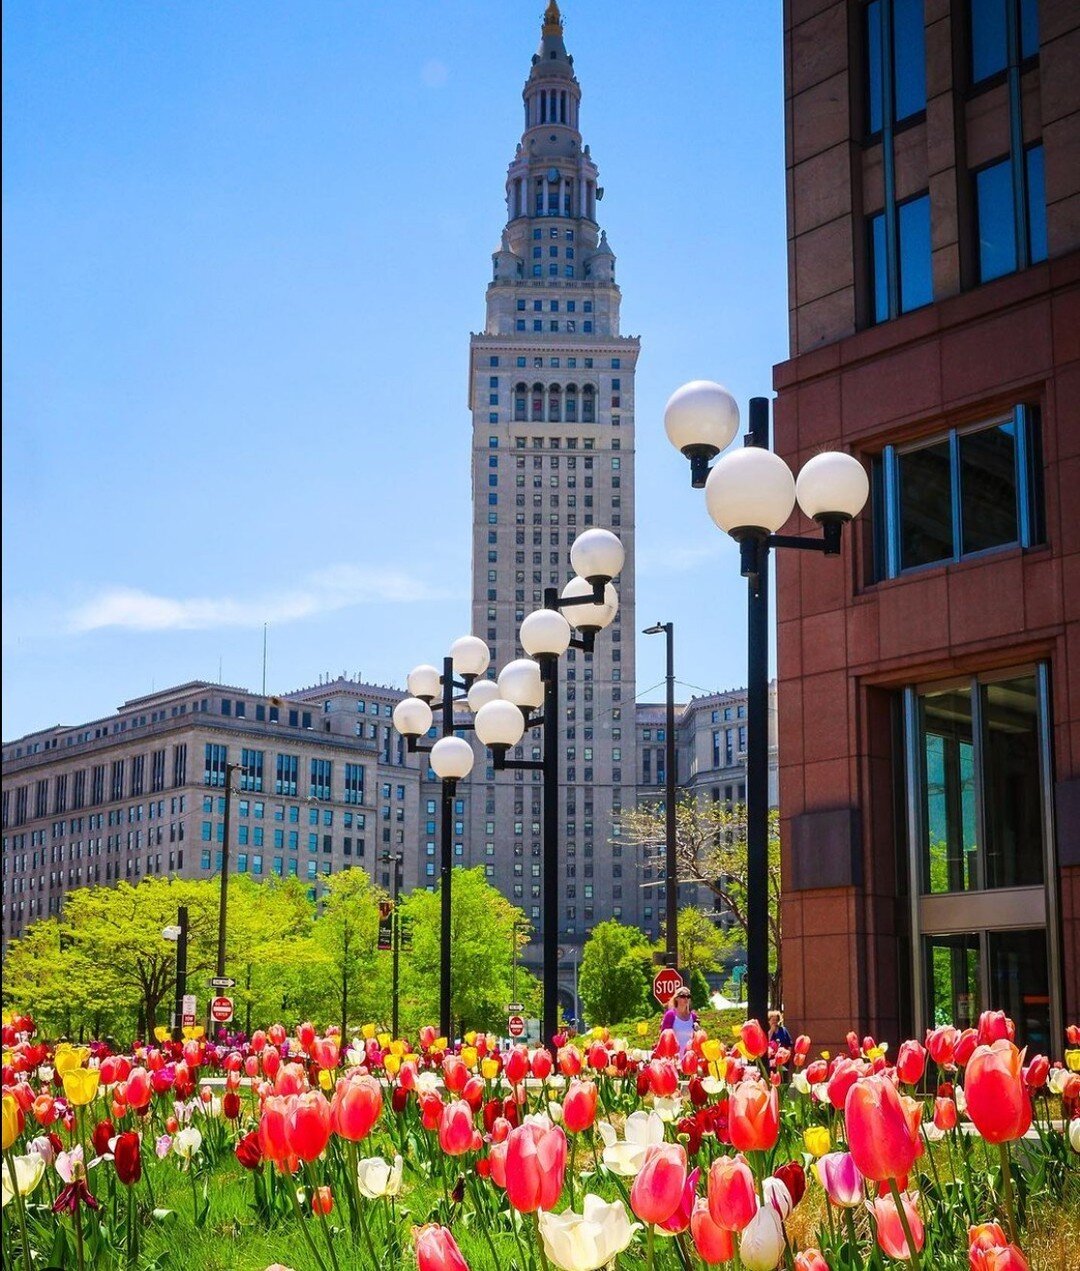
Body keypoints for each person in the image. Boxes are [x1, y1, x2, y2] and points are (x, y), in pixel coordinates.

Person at [660, 986, 698, 1056]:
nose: (686, 998)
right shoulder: (670, 1015)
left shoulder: (693, 1017)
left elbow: (697, 1040)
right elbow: (664, 1038)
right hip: (674, 1058)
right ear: (677, 998)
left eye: (688, 996)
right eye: (683, 996)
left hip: (689, 1059)